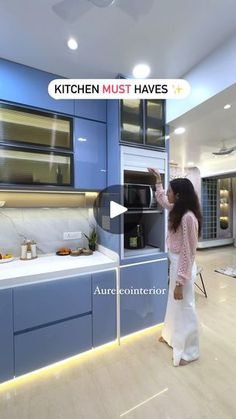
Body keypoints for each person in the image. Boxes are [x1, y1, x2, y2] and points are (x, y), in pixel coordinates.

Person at [148, 168, 202, 367]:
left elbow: (189, 252)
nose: (168, 195)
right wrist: (158, 181)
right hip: (176, 266)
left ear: (178, 195)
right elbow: (163, 201)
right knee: (174, 305)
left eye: (170, 191)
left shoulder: (188, 217)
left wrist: (180, 282)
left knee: (186, 308)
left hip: (184, 269)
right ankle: (170, 336)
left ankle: (189, 352)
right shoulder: (177, 210)